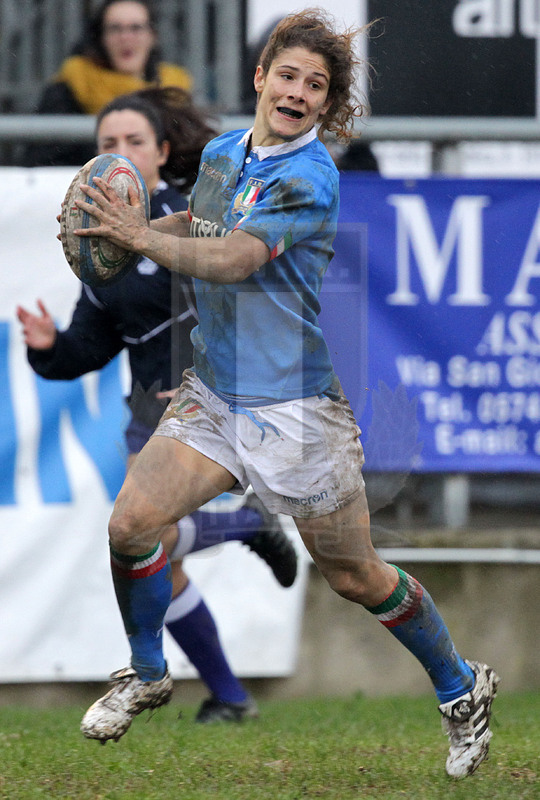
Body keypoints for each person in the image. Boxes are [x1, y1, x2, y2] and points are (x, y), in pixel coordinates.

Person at [72, 9, 498, 778]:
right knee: (132, 525)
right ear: (262, 75)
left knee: (354, 576)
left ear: (326, 104)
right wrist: (122, 224)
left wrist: (139, 241)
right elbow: (202, 225)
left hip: (296, 412)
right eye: (290, 75)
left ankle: (462, 687)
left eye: (318, 85)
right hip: (215, 394)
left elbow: (233, 257)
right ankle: (147, 670)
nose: (299, 92)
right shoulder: (226, 153)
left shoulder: (310, 176)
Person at [17, 86, 297, 723]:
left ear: (161, 153)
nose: (116, 155)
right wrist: (48, 348)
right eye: (105, 145)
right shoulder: (103, 255)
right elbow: (88, 347)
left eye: (132, 143)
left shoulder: (194, 219)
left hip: (216, 401)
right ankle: (230, 696)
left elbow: (253, 298)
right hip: (149, 416)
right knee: (153, 561)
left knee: (151, 543)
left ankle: (247, 530)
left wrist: (207, 373)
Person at [26, 0, 192, 167]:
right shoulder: (68, 90)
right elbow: (47, 166)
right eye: (115, 28)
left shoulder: (173, 90)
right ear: (101, 37)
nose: (126, 37)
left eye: (136, 28)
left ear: (152, 36)